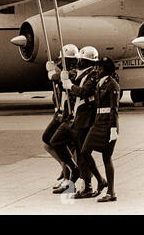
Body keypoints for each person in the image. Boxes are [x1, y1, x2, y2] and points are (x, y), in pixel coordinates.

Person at [62, 46, 106, 198]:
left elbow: (84, 91)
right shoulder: (84, 73)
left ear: (90, 62)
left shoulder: (93, 75)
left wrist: (70, 86)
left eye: (83, 60)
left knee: (82, 153)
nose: (80, 62)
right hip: (79, 116)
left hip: (86, 119)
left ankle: (89, 184)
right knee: (79, 153)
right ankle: (89, 182)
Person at [79, 57, 120, 202]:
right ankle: (100, 180)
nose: (96, 70)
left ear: (106, 70)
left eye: (100, 68)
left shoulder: (112, 85)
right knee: (84, 151)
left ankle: (111, 192)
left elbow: (114, 109)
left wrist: (113, 129)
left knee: (106, 157)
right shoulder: (99, 83)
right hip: (97, 123)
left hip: (108, 124)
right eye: (96, 67)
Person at [44, 44, 78, 190]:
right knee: (48, 142)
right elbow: (56, 78)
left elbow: (60, 78)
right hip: (59, 113)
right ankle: (66, 170)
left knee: (62, 146)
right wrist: (52, 69)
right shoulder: (64, 71)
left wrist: (54, 72)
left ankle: (68, 178)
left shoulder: (74, 73)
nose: (61, 62)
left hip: (69, 116)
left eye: (64, 60)